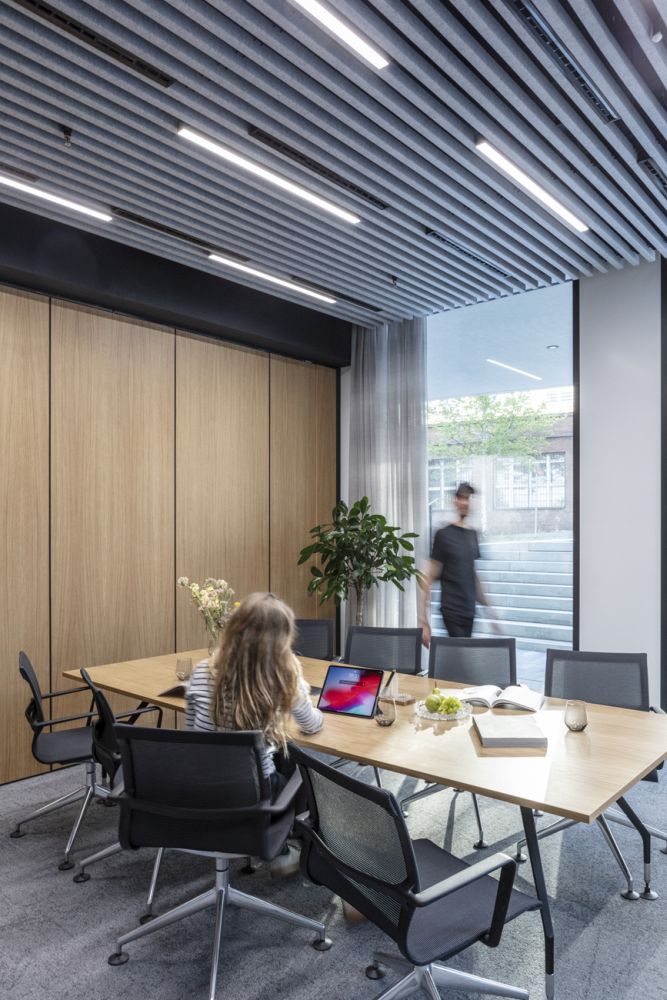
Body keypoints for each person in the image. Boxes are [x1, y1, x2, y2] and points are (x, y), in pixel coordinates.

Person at [186, 591, 323, 874]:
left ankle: (271, 843)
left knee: (281, 756)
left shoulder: (201, 671)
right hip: (254, 793)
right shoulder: (284, 675)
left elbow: (191, 734)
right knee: (303, 772)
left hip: (199, 787)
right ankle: (285, 851)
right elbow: (311, 725)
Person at [419, 482, 497, 646]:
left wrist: (489, 609)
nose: (465, 502)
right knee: (460, 652)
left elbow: (472, 574)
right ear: (455, 501)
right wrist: (423, 620)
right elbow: (429, 577)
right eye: (462, 498)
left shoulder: (472, 535)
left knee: (462, 654)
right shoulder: (443, 534)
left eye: (468, 498)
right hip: (451, 610)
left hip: (469, 610)